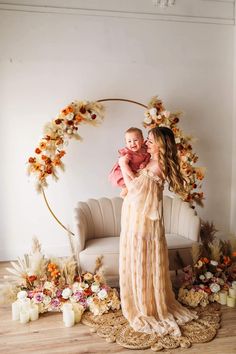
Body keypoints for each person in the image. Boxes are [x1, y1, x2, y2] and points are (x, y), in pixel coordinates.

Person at [118, 126, 198, 337]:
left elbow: (135, 191)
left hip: (143, 221)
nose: (146, 143)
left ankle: (147, 306)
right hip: (135, 218)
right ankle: (139, 299)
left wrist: (123, 166)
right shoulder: (149, 161)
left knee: (143, 259)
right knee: (137, 258)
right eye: (147, 140)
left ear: (162, 144)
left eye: (151, 140)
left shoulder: (157, 165)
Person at [108, 127, 150, 197]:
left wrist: (144, 163)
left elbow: (148, 157)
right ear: (126, 143)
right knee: (128, 184)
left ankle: (126, 191)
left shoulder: (145, 149)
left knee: (136, 188)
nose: (133, 143)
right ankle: (124, 190)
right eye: (129, 141)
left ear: (142, 140)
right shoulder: (128, 153)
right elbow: (124, 166)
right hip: (125, 171)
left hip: (135, 171)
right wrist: (132, 176)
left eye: (135, 140)